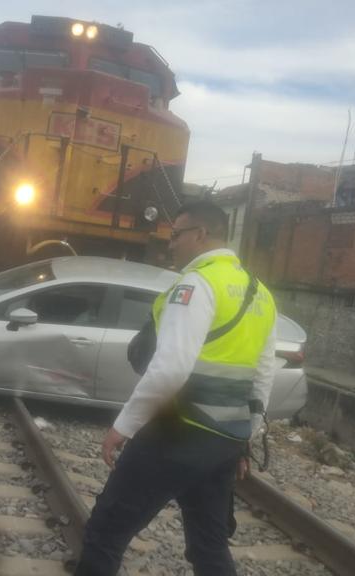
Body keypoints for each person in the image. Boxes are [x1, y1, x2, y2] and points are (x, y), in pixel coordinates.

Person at [76, 201, 276, 576]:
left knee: (106, 531)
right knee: (209, 544)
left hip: (178, 432)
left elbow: (171, 368)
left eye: (176, 235)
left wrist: (124, 426)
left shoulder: (198, 283)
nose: (171, 245)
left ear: (201, 234)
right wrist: (245, 438)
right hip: (224, 442)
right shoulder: (261, 293)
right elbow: (262, 378)